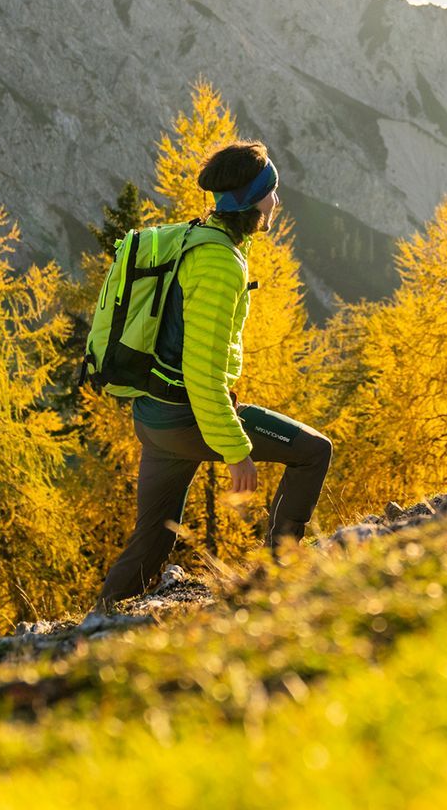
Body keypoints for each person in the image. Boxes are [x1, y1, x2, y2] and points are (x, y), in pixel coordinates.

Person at [96, 139, 333, 605]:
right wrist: (236, 451)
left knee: (151, 541)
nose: (277, 202)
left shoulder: (195, 239)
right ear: (250, 202)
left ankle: (95, 625)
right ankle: (277, 579)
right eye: (271, 193)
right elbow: (202, 372)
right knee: (312, 452)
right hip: (188, 418)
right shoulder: (220, 264)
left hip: (153, 417)